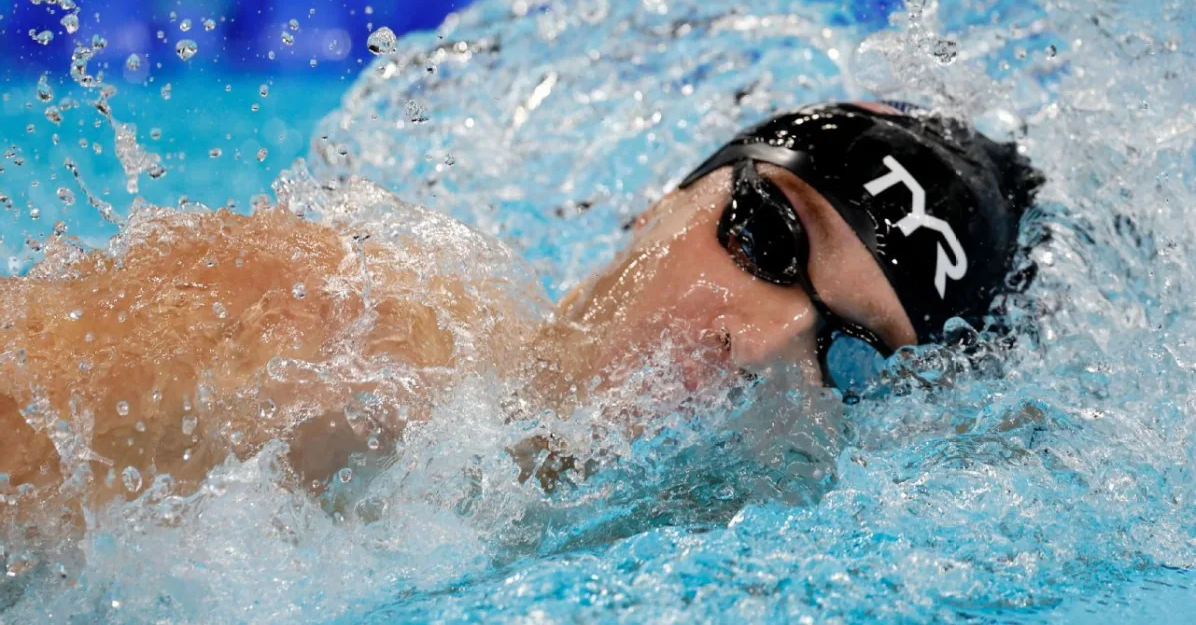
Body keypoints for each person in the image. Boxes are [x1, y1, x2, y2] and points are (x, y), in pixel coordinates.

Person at [0, 101, 1043, 530]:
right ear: (664, 201)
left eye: (848, 356)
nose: (766, 339)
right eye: (768, 238)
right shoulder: (340, 332)